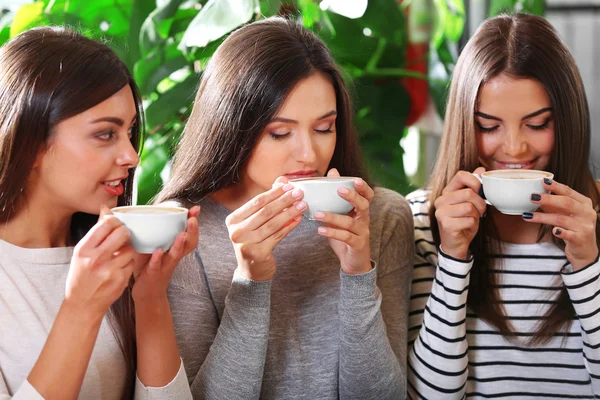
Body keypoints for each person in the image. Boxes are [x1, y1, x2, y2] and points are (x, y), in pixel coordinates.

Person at [155, 17, 414, 399]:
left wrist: (358, 272)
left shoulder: (382, 216)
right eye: (280, 133)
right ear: (231, 127)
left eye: (324, 128)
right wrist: (251, 280)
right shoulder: (184, 228)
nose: (309, 155)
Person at [407, 13, 600, 399]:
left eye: (537, 124)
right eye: (489, 126)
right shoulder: (421, 220)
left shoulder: (591, 221)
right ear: (465, 124)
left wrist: (587, 265)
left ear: (567, 122)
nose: (514, 149)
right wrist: (453, 258)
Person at [0, 27, 198, 399]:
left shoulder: (112, 257)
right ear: (32, 141)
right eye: (106, 134)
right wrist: (80, 310)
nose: (132, 157)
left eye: (129, 133)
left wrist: (150, 296)